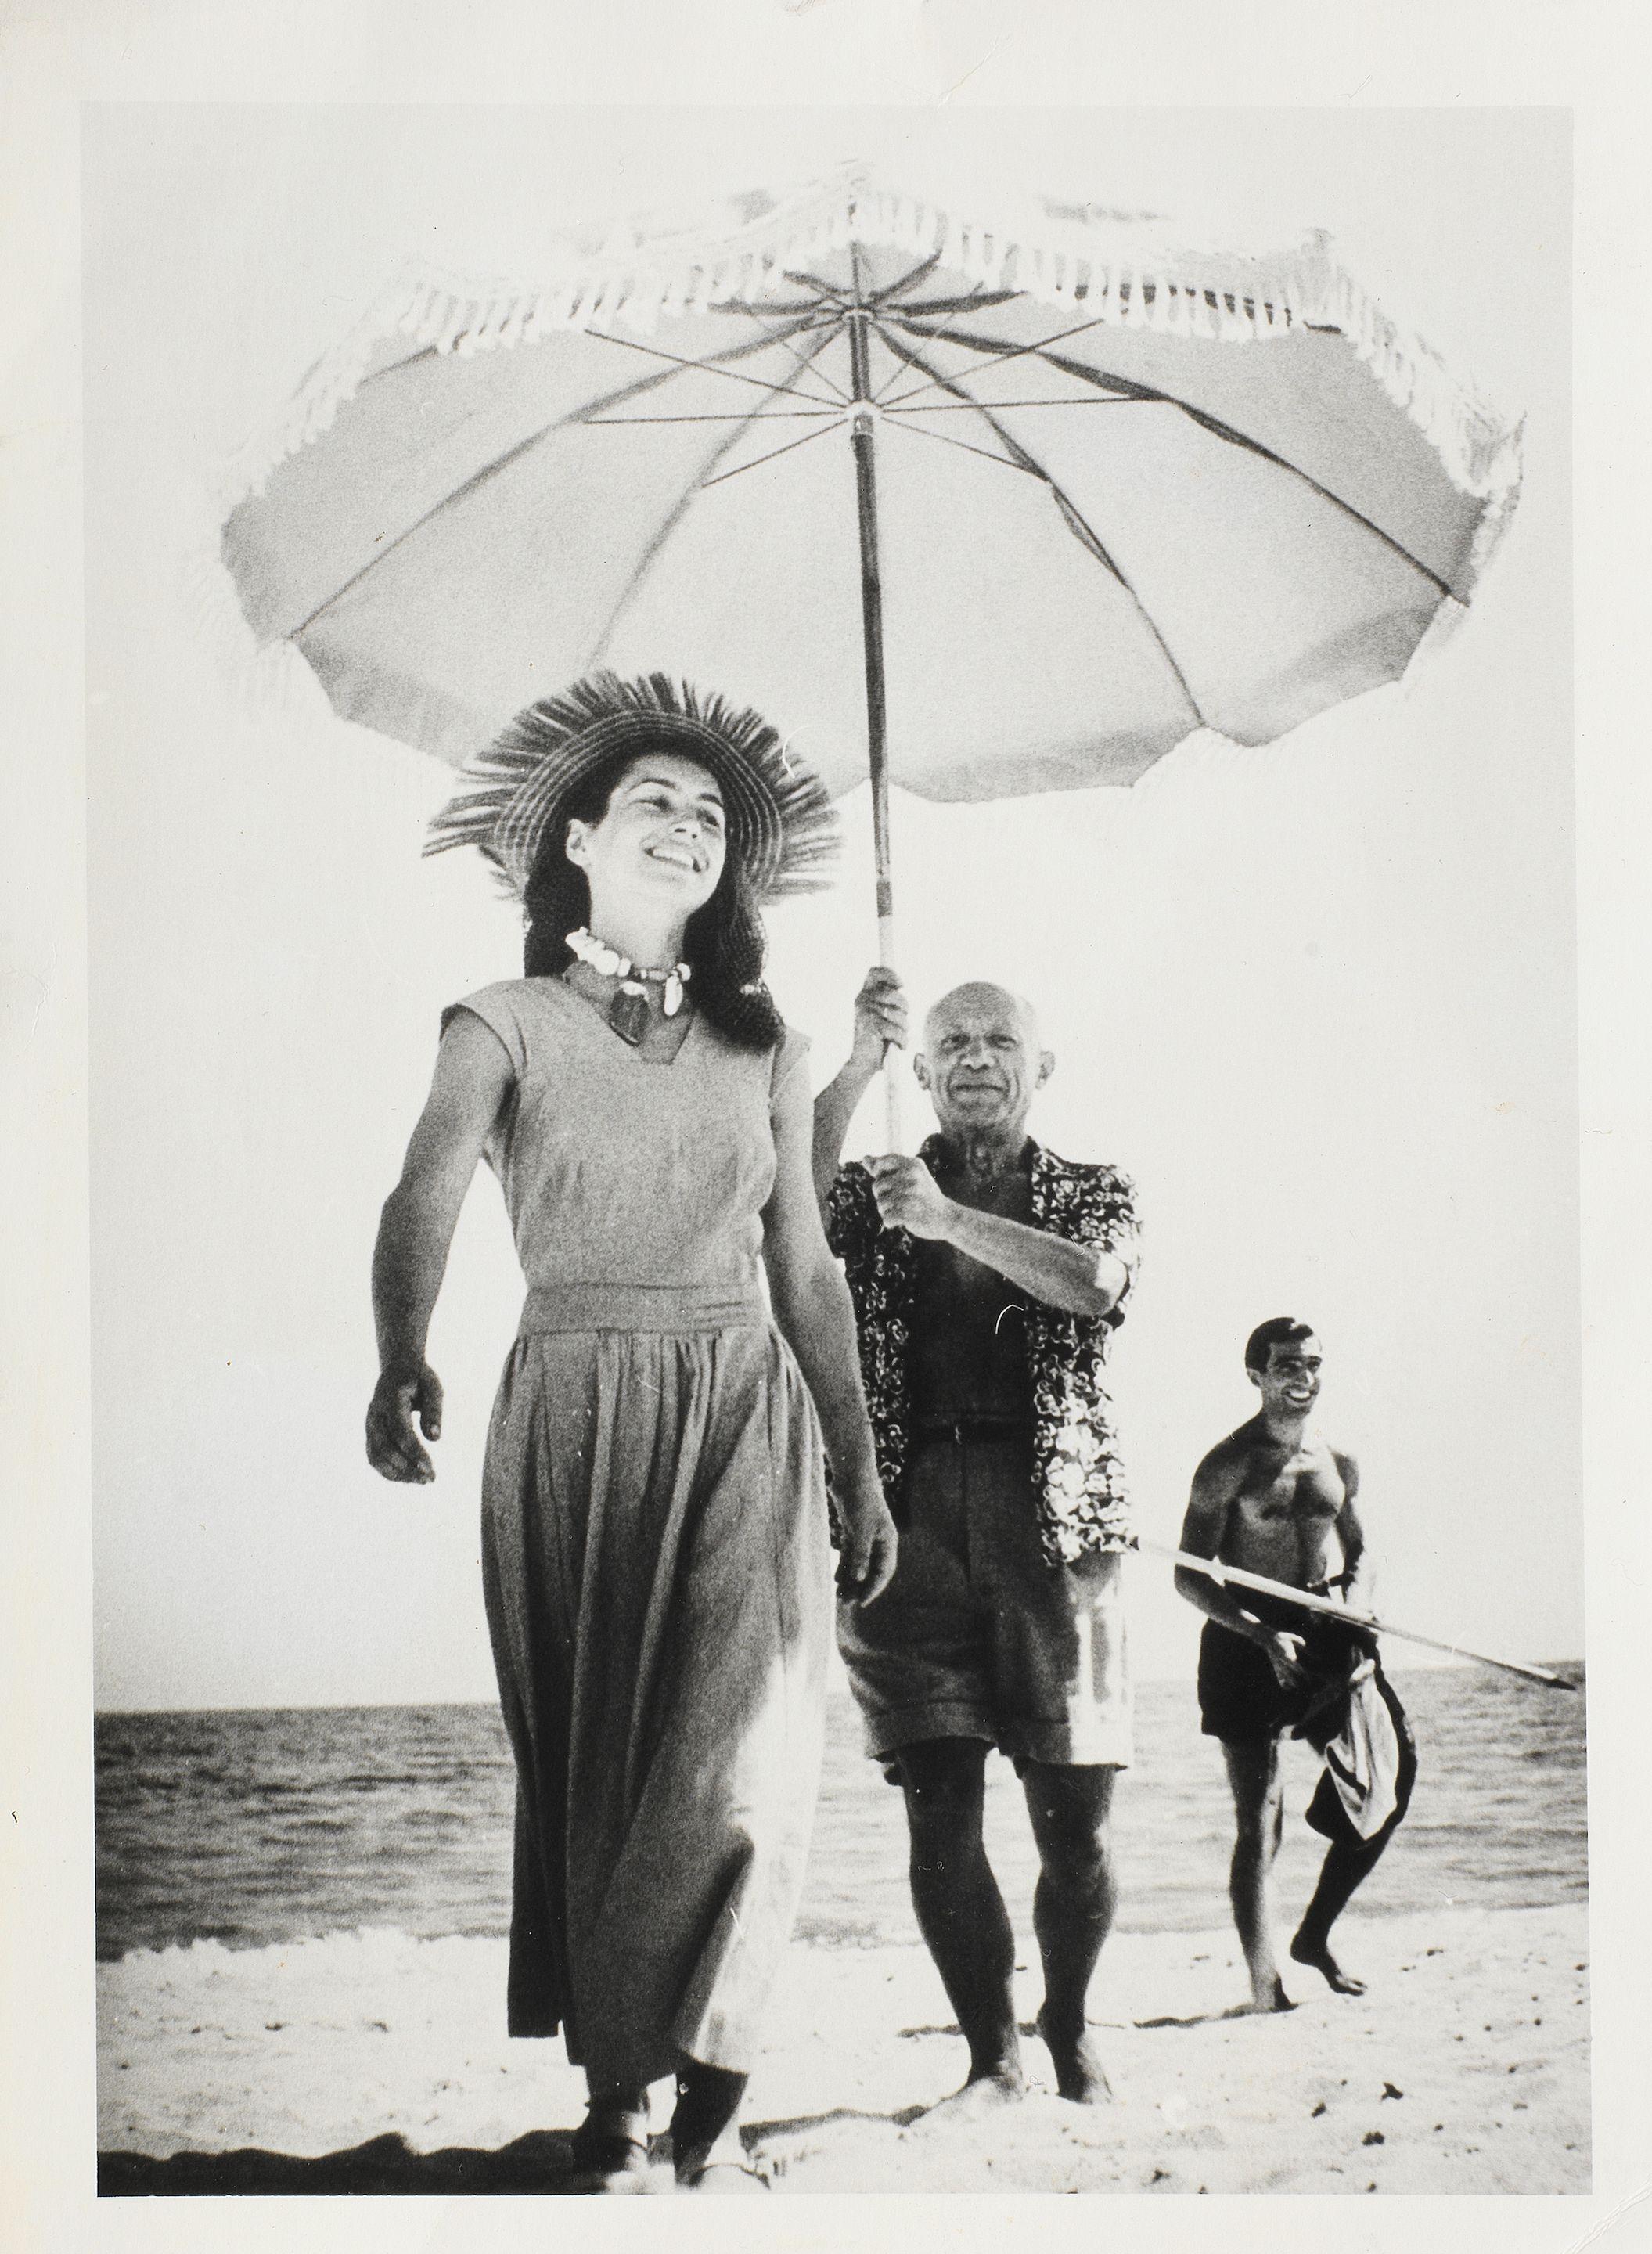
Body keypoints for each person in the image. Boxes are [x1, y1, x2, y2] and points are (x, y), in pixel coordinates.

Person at [365, 673, 896, 2194]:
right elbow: (424, 1189)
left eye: (710, 812)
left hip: (741, 1408)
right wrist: (399, 1350)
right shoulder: (501, 1021)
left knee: (745, 1760)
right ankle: (622, 2102)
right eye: (652, 800)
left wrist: (858, 1467)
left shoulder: (769, 1046)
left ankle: (707, 2097)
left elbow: (806, 1271)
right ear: (580, 841)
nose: (686, 822)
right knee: (602, 1767)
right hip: (573, 1407)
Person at [814, 967, 1139, 2109]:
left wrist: (948, 1221)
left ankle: (1069, 2024)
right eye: (949, 1043)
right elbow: (777, 1197)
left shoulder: (1092, 1188)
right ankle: (990, 2055)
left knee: (1074, 1820)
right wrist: (853, 1064)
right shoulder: (877, 1190)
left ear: (1039, 1066)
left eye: (998, 1040)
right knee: (939, 1804)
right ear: (921, 1069)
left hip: (1055, 1522)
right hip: (902, 1518)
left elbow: (1093, 1285)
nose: (973, 1059)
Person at [1175, 1318, 1416, 2011]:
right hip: (1244, 1640)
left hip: (1325, 1627)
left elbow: (1360, 1551)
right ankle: (1264, 1985)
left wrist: (1358, 1604)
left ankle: (1313, 1936)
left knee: (1389, 1780)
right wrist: (1259, 1635)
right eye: (1286, 1365)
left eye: (1312, 1364)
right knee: (1260, 1818)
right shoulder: (1226, 1465)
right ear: (1256, 1375)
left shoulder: (1338, 1461)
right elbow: (1188, 1576)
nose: (1302, 1377)